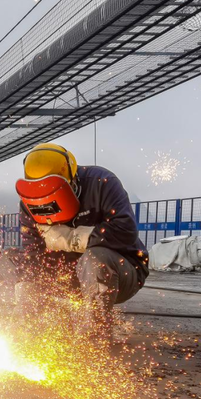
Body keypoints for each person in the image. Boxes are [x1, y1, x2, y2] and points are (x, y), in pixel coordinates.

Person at [14, 143, 149, 343]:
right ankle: (31, 334)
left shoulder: (102, 183)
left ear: (73, 182)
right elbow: (33, 254)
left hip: (121, 273)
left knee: (95, 260)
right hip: (67, 278)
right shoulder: (29, 204)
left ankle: (93, 340)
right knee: (17, 265)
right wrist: (26, 292)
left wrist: (72, 239)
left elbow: (126, 231)